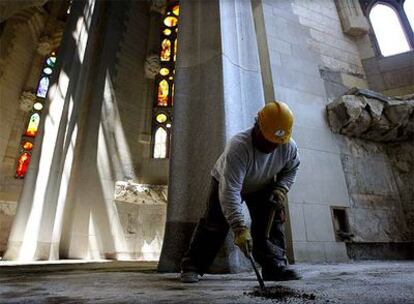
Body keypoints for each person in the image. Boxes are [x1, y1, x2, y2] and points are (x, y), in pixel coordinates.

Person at [180, 101, 301, 283]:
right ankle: (192, 266)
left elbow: (292, 168)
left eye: (277, 143)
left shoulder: (288, 146)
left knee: (271, 221)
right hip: (227, 181)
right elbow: (230, 191)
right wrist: (239, 228)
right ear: (257, 126)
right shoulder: (238, 146)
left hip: (263, 184)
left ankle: (274, 266)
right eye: (268, 140)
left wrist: (281, 188)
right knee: (214, 224)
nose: (272, 147)